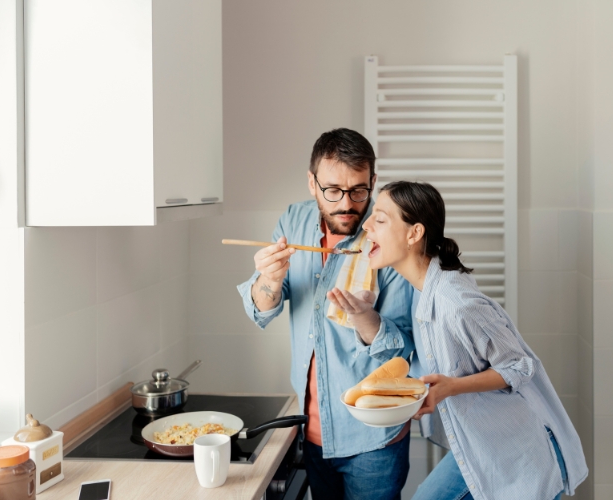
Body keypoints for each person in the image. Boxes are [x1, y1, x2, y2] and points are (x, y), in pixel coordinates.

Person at [348, 180, 588, 500]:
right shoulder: (423, 292)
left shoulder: (456, 302)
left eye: (379, 218)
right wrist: (365, 316)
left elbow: (520, 365)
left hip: (519, 455)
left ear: (414, 233)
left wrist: (451, 387)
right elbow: (415, 358)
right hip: (482, 447)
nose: (366, 225)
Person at [237, 128, 415, 499]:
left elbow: (402, 350)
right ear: (312, 183)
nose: (346, 205)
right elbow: (263, 309)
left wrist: (365, 317)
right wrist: (269, 279)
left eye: (359, 191)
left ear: (373, 182)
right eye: (333, 190)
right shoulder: (293, 221)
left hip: (373, 439)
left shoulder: (390, 234)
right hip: (311, 433)